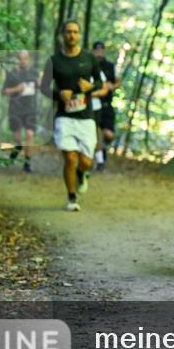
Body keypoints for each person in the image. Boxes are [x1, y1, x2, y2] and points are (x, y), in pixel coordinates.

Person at [41, 21, 103, 211]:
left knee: (86, 161)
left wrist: (91, 87)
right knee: (69, 157)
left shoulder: (89, 58)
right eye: (68, 32)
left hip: (86, 116)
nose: (72, 35)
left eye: (75, 32)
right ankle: (72, 197)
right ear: (63, 35)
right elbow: (43, 87)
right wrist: (58, 94)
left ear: (80, 35)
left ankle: (81, 173)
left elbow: (100, 82)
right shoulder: (53, 60)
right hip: (64, 116)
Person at [2, 50, 39, 172]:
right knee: (17, 137)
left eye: (26, 58)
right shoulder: (12, 74)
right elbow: (4, 91)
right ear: (17, 60)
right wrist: (16, 89)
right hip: (15, 110)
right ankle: (17, 147)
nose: (23, 61)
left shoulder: (34, 72)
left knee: (29, 134)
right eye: (21, 58)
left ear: (29, 59)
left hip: (31, 109)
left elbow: (40, 85)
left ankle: (27, 162)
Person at [90, 40, 121, 171]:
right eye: (96, 50)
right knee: (96, 132)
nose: (99, 52)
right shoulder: (89, 66)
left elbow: (118, 82)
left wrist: (111, 87)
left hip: (107, 104)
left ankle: (103, 148)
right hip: (93, 103)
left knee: (108, 134)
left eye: (101, 49)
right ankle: (100, 161)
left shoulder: (110, 66)